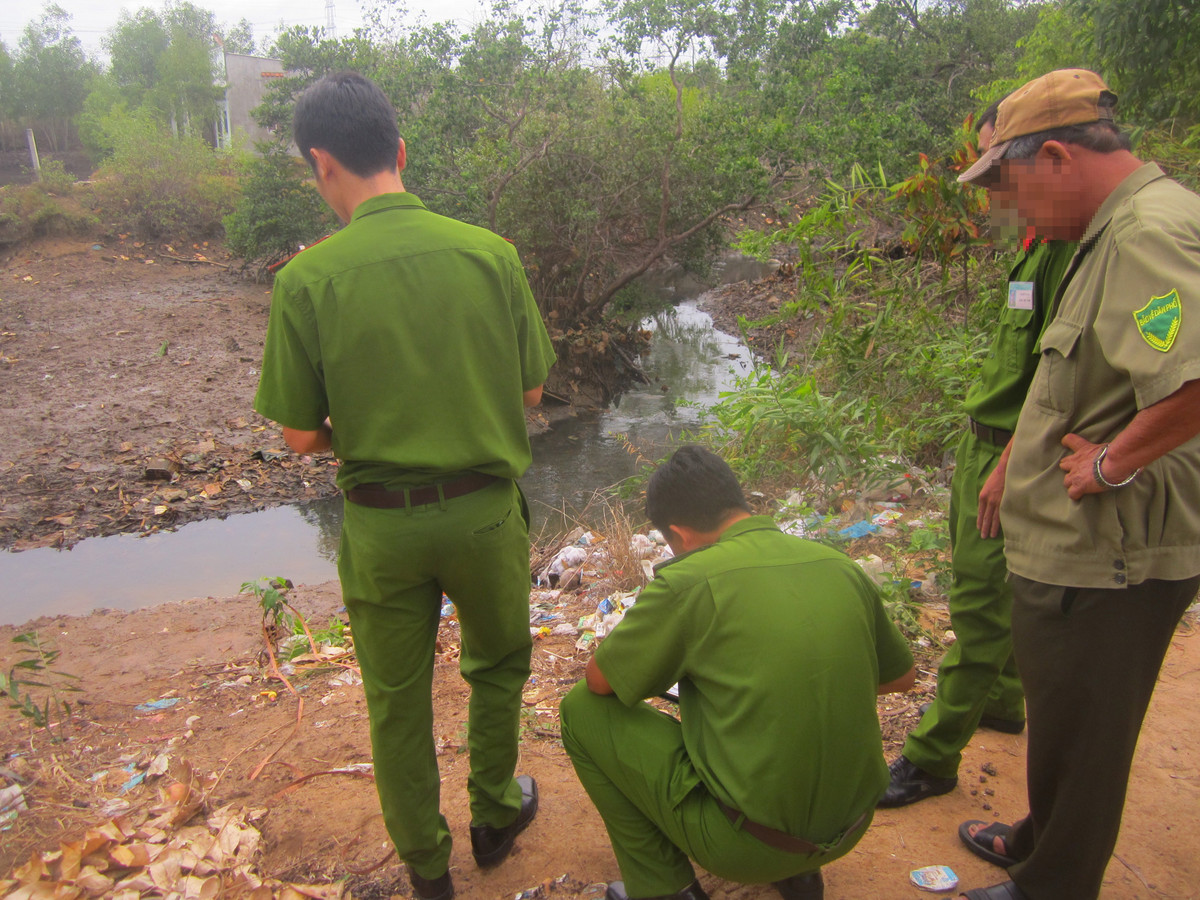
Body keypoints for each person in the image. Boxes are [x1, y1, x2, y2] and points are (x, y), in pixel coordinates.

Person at [253, 72, 557, 900]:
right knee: (497, 668)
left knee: (397, 701)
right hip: (487, 517)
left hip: (384, 527)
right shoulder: (489, 253)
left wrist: (380, 424)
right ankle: (494, 814)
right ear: (400, 149)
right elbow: (531, 394)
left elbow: (300, 435)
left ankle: (428, 868)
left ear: (321, 164)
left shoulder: (306, 281)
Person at [952, 68, 1200, 900]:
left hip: (1110, 553)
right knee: (1063, 713)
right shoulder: (1103, 235)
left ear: (1055, 155)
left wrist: (1109, 462)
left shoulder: (1143, 235)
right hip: (1080, 547)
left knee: (1086, 727)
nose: (1011, 208)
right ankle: (1039, 838)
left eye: (1012, 184)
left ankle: (1049, 883)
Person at [560, 445, 916, 900]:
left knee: (581, 711)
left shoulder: (688, 581)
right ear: (737, 500)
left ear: (677, 534)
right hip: (852, 826)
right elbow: (900, 678)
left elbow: (599, 682)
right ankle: (800, 875)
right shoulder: (837, 564)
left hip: (745, 846)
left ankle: (663, 888)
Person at [879, 102, 1077, 807]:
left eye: (1003, 164)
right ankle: (1002, 701)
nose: (994, 183)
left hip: (1010, 457)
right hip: (984, 446)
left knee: (982, 609)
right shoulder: (1033, 244)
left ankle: (931, 757)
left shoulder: (1068, 253)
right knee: (990, 592)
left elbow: (1064, 382)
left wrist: (1008, 464)